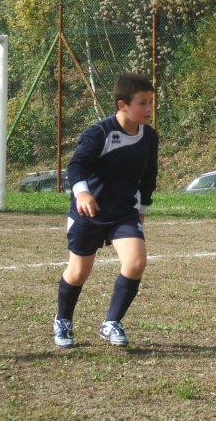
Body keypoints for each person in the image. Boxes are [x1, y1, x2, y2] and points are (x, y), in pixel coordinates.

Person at [53, 72, 158, 348]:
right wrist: (82, 193)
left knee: (136, 262)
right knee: (78, 272)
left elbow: (149, 177)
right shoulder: (99, 132)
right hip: (89, 213)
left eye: (150, 102)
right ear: (123, 105)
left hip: (123, 213)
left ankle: (112, 322)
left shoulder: (149, 137)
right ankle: (63, 320)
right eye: (142, 103)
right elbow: (76, 166)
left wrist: (142, 208)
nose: (148, 109)